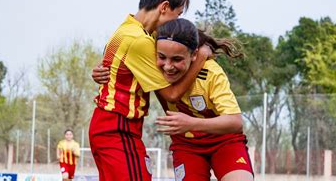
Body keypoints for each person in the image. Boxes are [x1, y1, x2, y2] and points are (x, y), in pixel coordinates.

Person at [93, 19, 254, 181]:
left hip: (225, 142)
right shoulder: (154, 68)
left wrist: (191, 123)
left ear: (194, 55)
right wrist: (103, 69)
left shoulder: (211, 72)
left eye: (177, 59)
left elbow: (235, 122)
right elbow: (128, 49)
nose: (168, 66)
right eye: (162, 57)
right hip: (187, 146)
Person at [89, 0, 210, 181]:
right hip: (117, 128)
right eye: (178, 14)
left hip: (108, 126)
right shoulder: (139, 41)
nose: (177, 22)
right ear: (164, 7)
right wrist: (200, 59)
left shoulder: (127, 28)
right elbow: (171, 94)